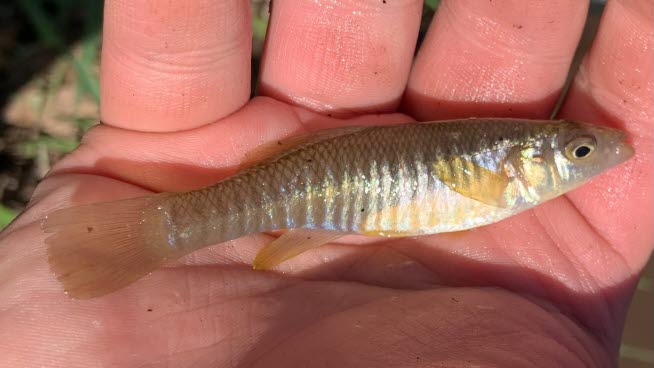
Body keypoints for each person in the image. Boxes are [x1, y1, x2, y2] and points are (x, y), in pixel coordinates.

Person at [1, 0, 651, 366]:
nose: (600, 153)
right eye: (582, 151)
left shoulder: (507, 173)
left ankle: (167, 228)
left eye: (582, 148)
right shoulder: (504, 176)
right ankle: (160, 231)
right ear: (524, 162)